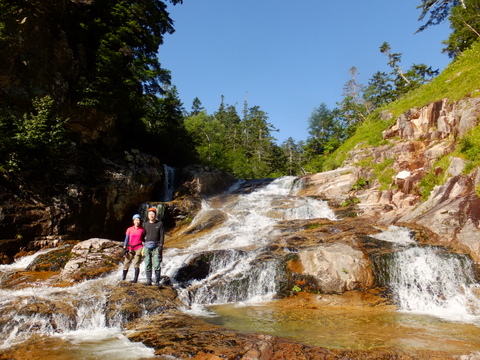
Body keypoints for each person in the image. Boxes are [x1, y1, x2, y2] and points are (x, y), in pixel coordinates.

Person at [143, 207, 165, 286]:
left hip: (156, 245)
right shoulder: (145, 224)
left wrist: (161, 245)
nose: (151, 216)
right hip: (147, 246)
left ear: (155, 215)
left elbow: (162, 235)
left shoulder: (160, 223)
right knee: (147, 263)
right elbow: (143, 235)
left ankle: (157, 281)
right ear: (147, 215)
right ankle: (148, 281)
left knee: (157, 263)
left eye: (153, 214)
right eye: (150, 214)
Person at [122, 214, 145, 283]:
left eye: (138, 220)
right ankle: (123, 278)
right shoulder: (129, 229)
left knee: (136, 263)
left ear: (140, 221)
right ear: (133, 221)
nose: (137, 221)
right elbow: (126, 239)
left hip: (139, 247)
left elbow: (145, 238)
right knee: (126, 262)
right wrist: (124, 248)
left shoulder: (142, 230)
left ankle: (135, 279)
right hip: (130, 248)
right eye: (136, 220)